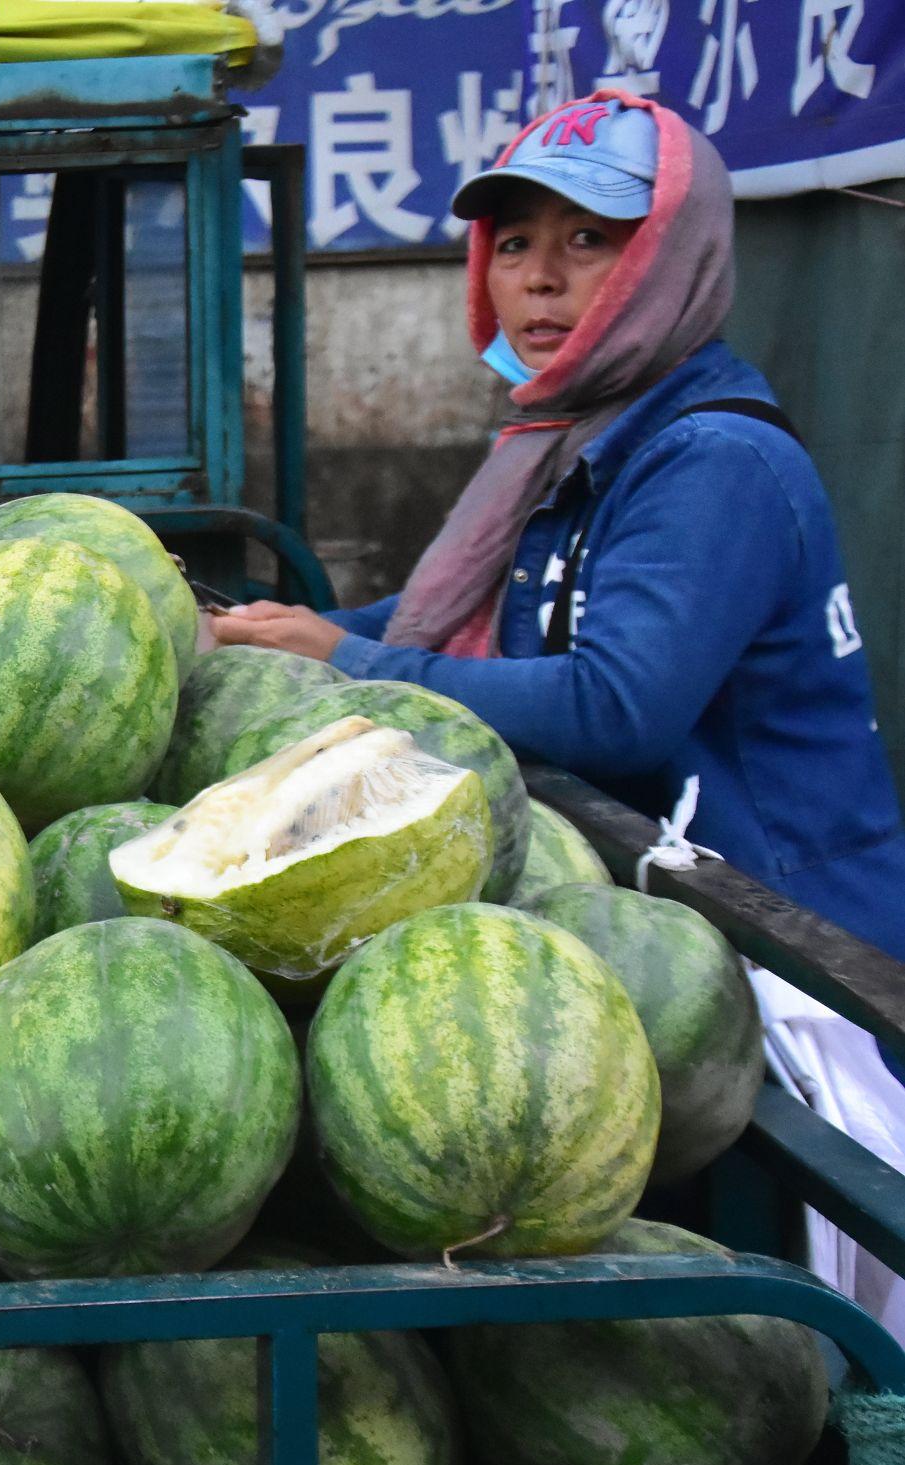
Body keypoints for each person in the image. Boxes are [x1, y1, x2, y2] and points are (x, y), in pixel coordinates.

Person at [212, 89, 905, 962]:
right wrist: (254, 637)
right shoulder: (574, 438)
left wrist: (347, 660)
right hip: (664, 921)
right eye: (512, 245)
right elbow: (497, 624)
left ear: (670, 259)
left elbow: (614, 707)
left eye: (587, 238)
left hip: (795, 945)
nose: (540, 276)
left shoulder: (713, 460)